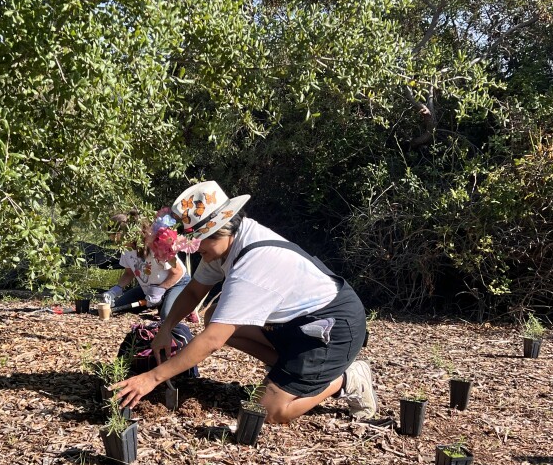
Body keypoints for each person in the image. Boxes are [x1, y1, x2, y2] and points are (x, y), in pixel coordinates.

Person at [113, 181, 377, 423]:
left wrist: (152, 378)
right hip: (292, 324)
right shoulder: (224, 246)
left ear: (220, 230)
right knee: (213, 314)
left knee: (269, 413)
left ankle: (346, 379)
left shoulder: (252, 264)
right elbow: (193, 292)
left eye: (196, 244)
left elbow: (213, 340)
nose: (194, 251)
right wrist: (166, 327)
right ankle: (288, 371)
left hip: (332, 327)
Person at [101, 212, 191, 322]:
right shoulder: (126, 249)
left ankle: (188, 309)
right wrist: (116, 290)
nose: (114, 241)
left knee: (167, 316)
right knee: (117, 309)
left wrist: (160, 289)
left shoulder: (157, 244)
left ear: (127, 233)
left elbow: (178, 272)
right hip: (149, 289)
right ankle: (160, 304)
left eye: (116, 237)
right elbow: (129, 273)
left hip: (176, 284)